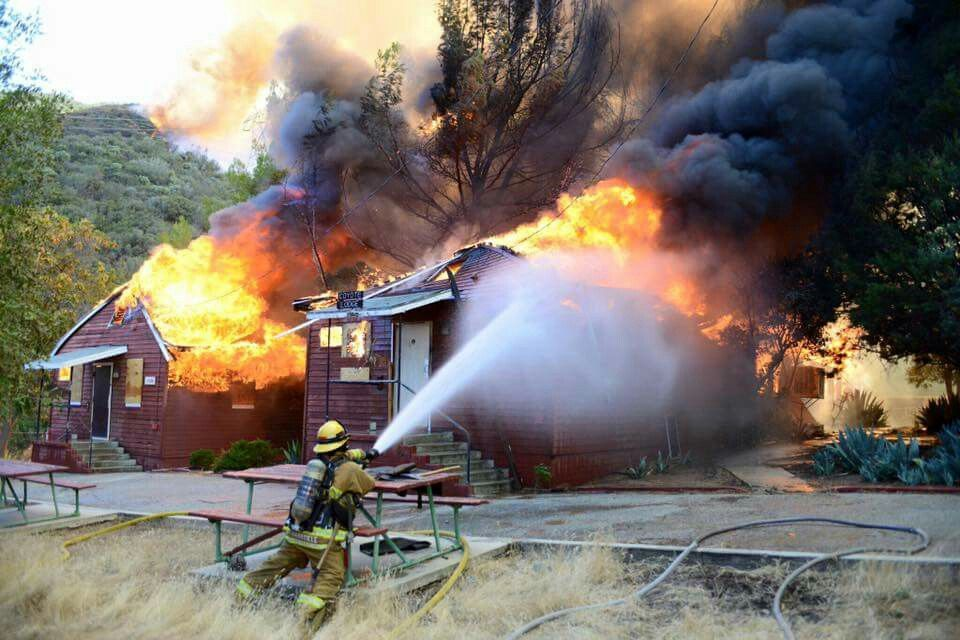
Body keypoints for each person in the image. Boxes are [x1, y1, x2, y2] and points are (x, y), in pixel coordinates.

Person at [235, 419, 376, 631]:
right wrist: (358, 467)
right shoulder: (349, 469)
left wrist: (360, 457)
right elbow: (369, 484)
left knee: (275, 566)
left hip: (296, 533)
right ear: (343, 445)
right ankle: (303, 621)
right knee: (331, 577)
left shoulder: (315, 467)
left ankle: (240, 598)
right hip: (322, 542)